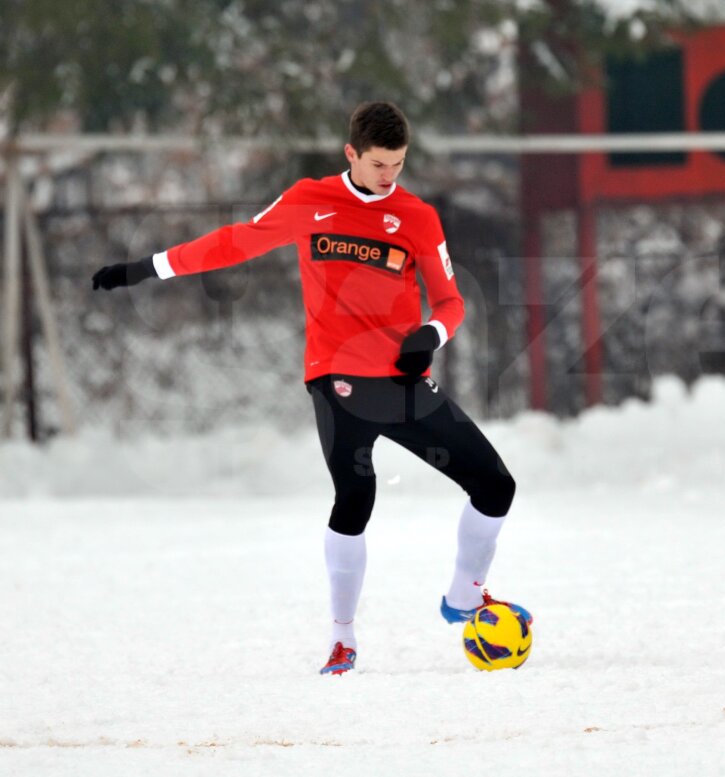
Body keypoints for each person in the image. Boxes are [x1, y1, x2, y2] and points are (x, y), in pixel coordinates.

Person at [92, 101, 529, 675]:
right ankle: (342, 639)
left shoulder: (417, 216)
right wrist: (145, 269)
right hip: (336, 379)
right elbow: (233, 243)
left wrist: (432, 333)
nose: (388, 175)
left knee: (496, 485)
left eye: (398, 163)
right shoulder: (310, 201)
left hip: (402, 384)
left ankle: (462, 598)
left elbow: (451, 301)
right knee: (355, 499)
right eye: (378, 164)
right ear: (351, 154)